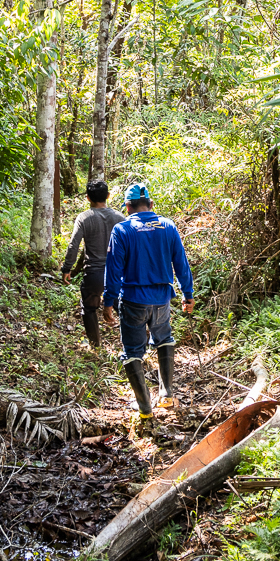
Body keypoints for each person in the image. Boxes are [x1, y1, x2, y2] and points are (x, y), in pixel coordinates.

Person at [103, 183, 194, 432]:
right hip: (162, 299)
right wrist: (188, 294)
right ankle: (166, 395)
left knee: (133, 351)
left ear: (128, 207)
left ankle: (145, 410)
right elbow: (181, 263)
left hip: (133, 300)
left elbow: (114, 270)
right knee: (164, 338)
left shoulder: (122, 230)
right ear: (151, 205)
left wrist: (108, 301)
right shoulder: (168, 226)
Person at [60, 180, 126, 347]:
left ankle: (95, 345)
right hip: (118, 273)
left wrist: (67, 267)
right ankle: (131, 346)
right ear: (108, 196)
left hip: (94, 274)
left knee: (89, 308)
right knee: (124, 309)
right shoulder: (120, 218)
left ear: (88, 198)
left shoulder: (84, 218)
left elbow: (73, 245)